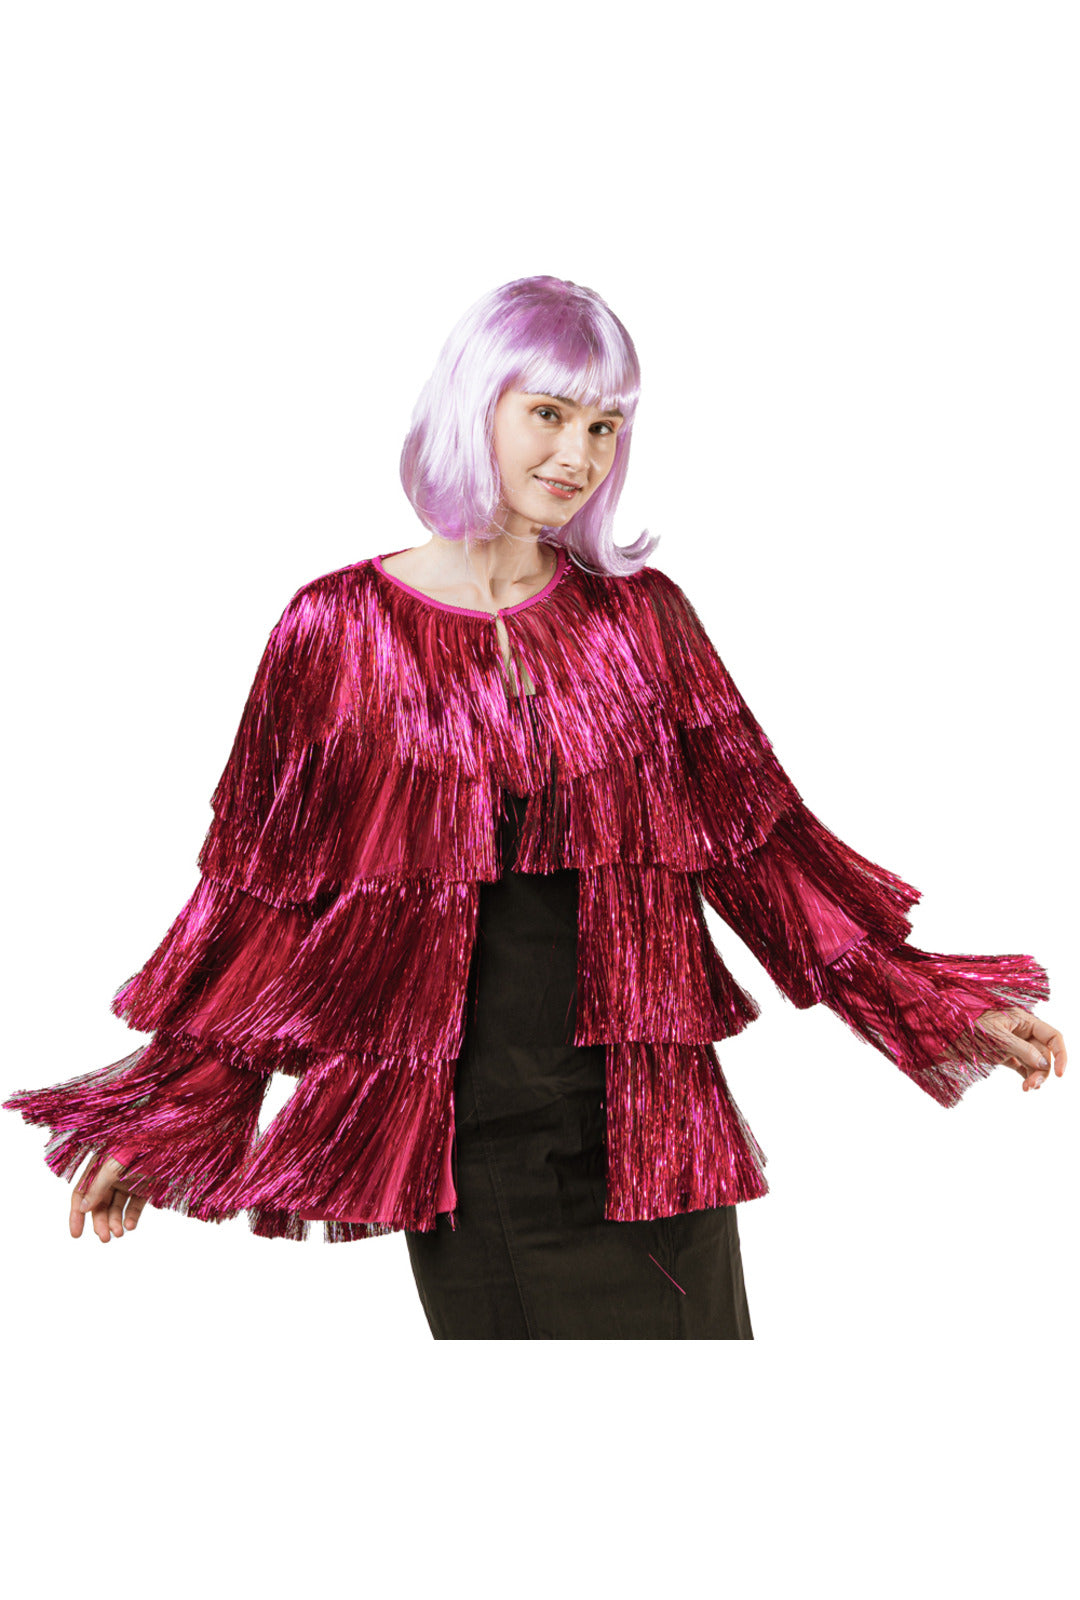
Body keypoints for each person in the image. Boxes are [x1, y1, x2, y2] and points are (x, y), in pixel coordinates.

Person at [4, 275, 1067, 1340]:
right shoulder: (339, 629)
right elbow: (263, 901)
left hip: (651, 1125)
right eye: (549, 414)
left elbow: (763, 852)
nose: (578, 454)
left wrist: (931, 1000)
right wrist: (171, 1108)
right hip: (471, 1132)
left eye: (604, 426)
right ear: (477, 406)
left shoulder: (641, 620)